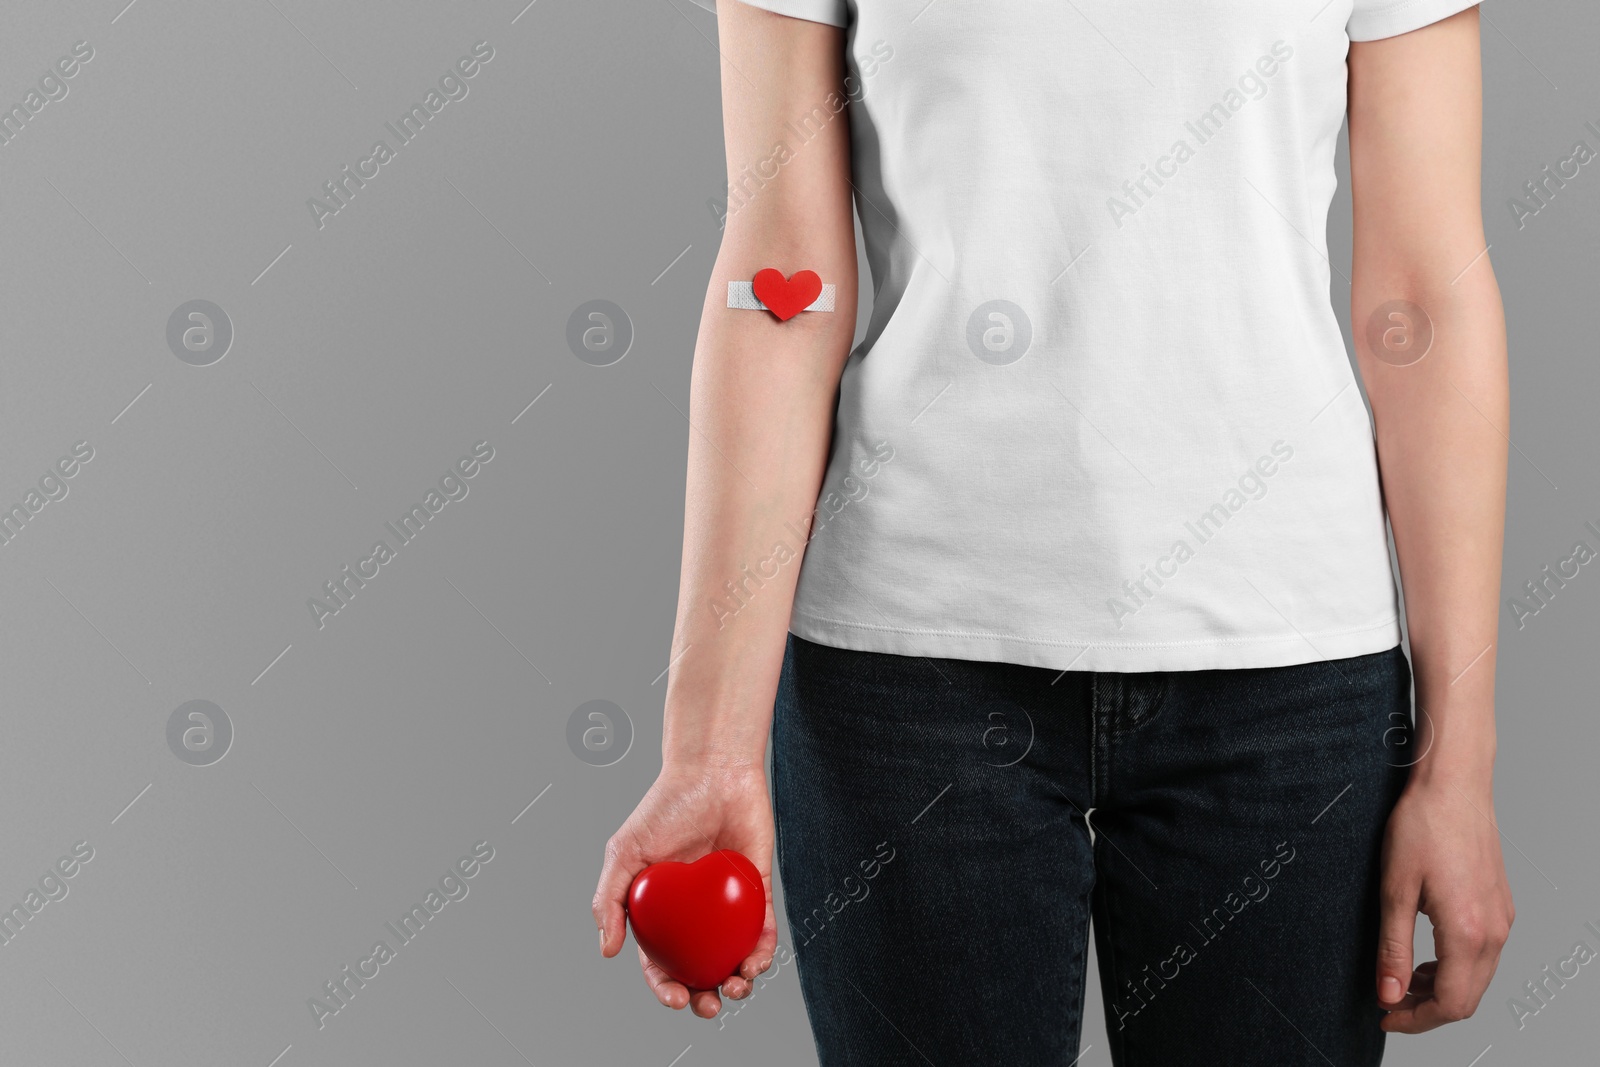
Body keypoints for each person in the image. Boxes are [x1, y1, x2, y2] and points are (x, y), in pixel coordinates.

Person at [593, 0, 1514, 1062]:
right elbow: (781, 282)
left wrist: (1460, 760)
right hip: (909, 674)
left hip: (1286, 674)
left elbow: (1422, 303)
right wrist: (707, 749)